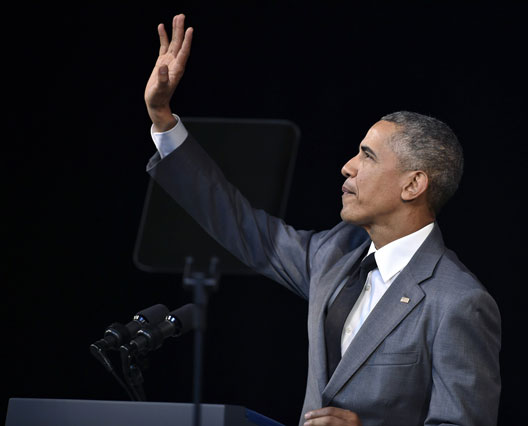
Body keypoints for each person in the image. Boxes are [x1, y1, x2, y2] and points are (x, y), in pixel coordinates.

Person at [144, 14, 501, 426]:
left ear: (413, 184)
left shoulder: (458, 301)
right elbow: (239, 225)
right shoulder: (334, 256)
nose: (347, 167)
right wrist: (163, 119)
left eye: (367, 156)